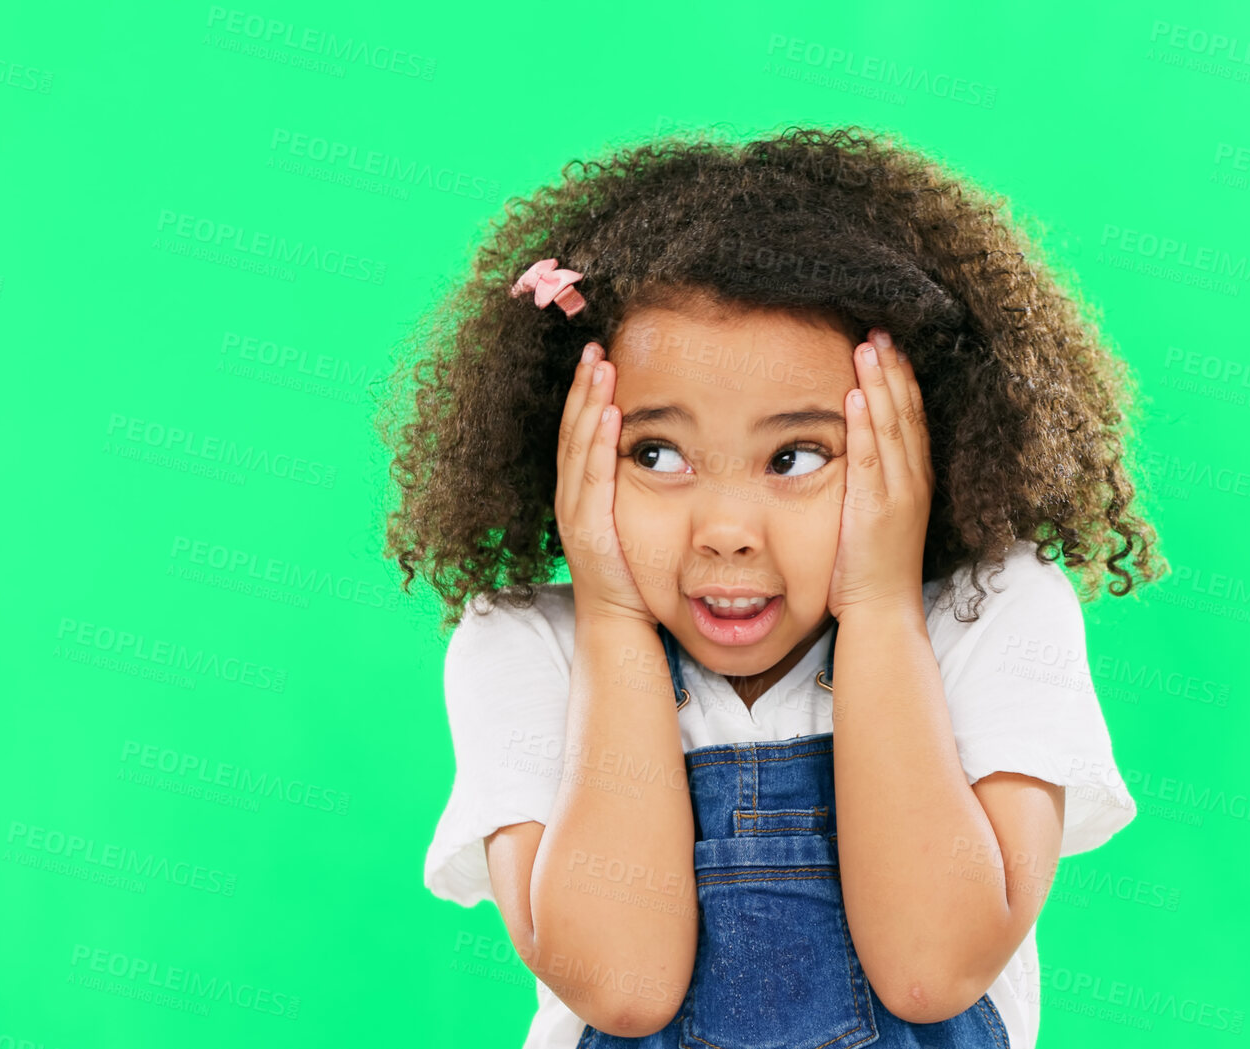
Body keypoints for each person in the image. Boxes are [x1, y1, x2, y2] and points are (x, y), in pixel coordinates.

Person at [381, 124, 1167, 1048]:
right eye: (656, 453)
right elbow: (624, 986)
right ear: (569, 446)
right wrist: (615, 616)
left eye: (794, 456)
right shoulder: (527, 648)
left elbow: (932, 969)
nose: (725, 530)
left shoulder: (990, 614)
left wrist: (877, 608)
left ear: (917, 444)